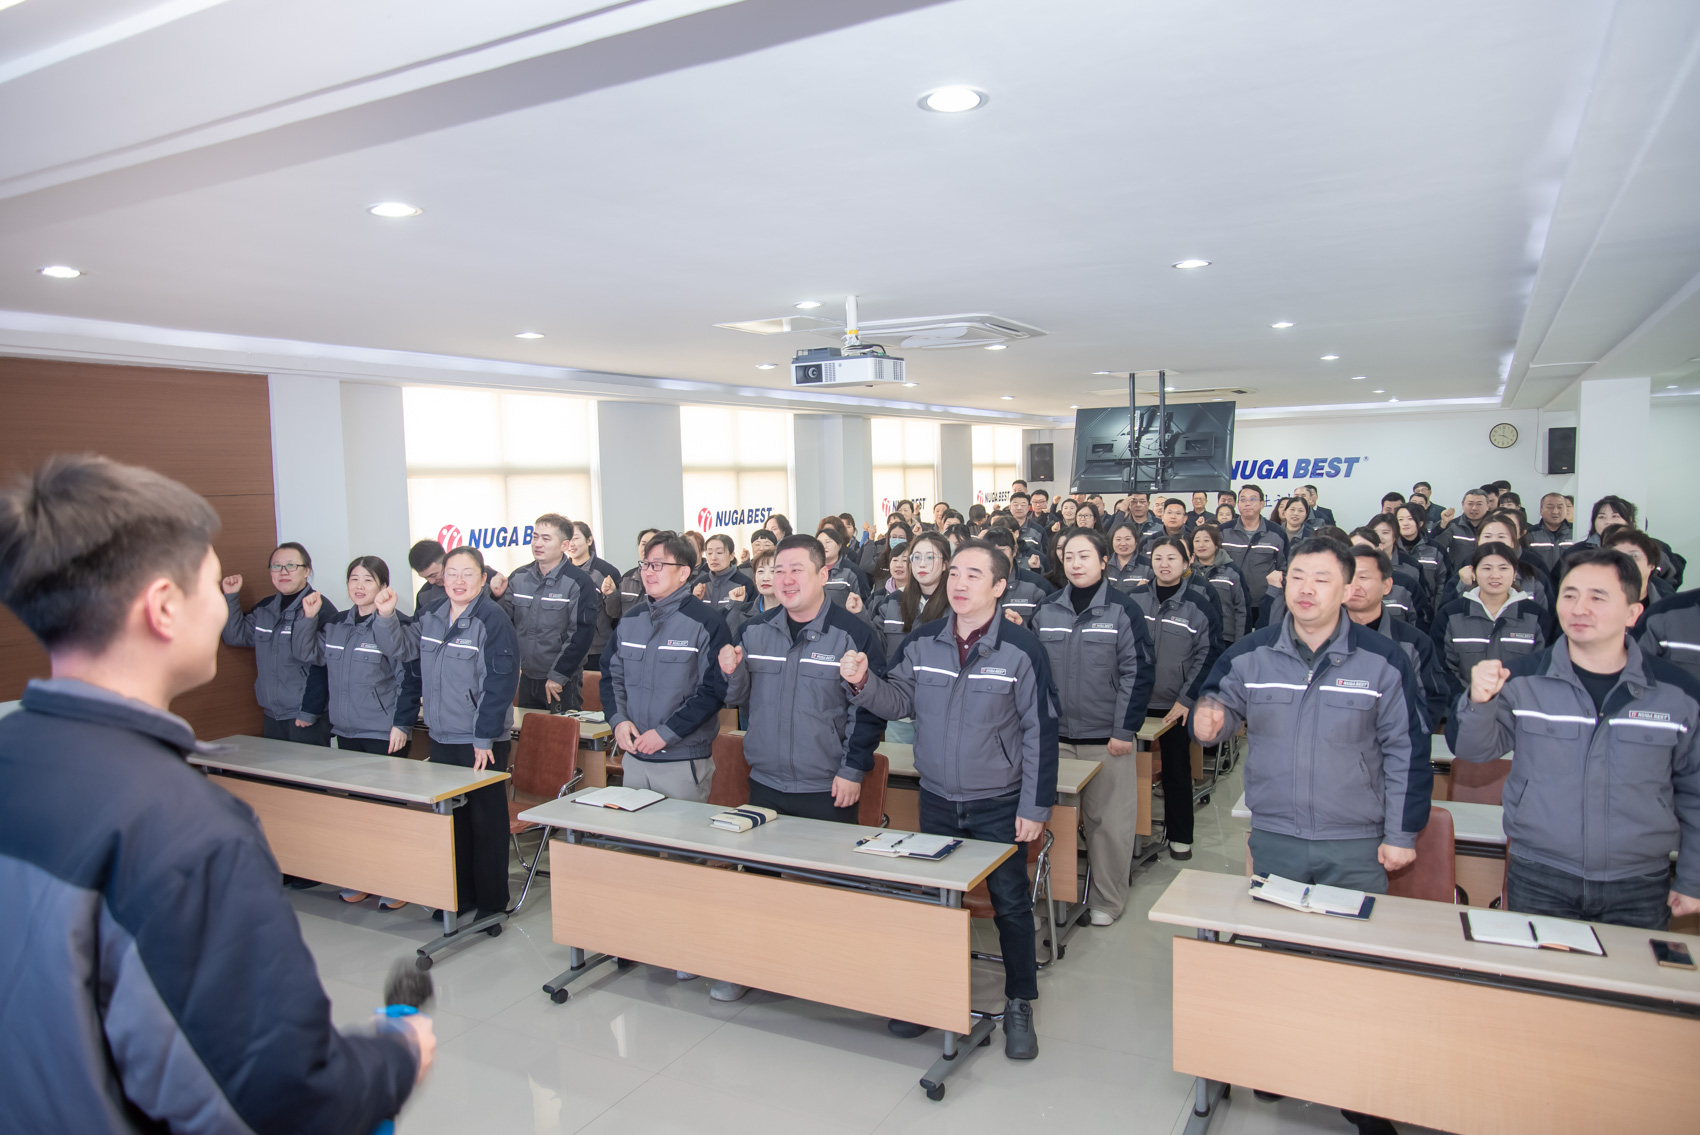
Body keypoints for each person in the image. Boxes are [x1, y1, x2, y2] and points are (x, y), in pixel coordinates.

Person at [0, 458, 431, 1132]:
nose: (227, 608)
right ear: (163, 607)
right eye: (211, 583)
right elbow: (288, 1093)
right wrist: (398, 1055)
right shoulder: (190, 829)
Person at [841, 539, 1058, 1060]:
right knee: (934, 900)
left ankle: (1020, 1002)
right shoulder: (923, 641)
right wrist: (863, 682)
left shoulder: (1021, 650)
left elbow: (1040, 732)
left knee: (1010, 904)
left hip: (999, 800)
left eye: (973, 575)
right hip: (938, 797)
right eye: (954, 572)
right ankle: (928, 994)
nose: (959, 583)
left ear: (1000, 587)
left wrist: (1034, 808)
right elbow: (899, 700)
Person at [1456, 548, 1700, 929]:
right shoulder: (1522, 679)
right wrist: (1478, 702)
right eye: (1570, 595)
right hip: (1540, 874)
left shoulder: (1677, 693)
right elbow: (1473, 751)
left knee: (1629, 970)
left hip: (1637, 883)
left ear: (1633, 613)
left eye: (1597, 598)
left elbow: (1695, 791)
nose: (1579, 608)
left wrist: (1693, 878)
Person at [1193, 535, 1431, 887]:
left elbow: (1407, 751)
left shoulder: (1384, 660)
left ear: (1347, 591)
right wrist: (1208, 723)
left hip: (1355, 840)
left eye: (1321, 579)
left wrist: (1401, 834)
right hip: (1275, 833)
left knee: (1350, 925)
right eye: (1297, 576)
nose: (1306, 588)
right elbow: (1217, 707)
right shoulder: (1249, 654)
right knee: (1272, 923)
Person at [1033, 529, 1156, 923]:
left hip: (1106, 740)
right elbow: (1034, 674)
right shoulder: (1047, 610)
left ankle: (1106, 900)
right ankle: (1051, 897)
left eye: (1084, 556)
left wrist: (1123, 731)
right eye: (1069, 556)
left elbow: (1138, 673)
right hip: (1057, 739)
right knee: (1055, 824)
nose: (1076, 564)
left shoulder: (1122, 610)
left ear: (1104, 561)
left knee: (1109, 825)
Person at [399, 545, 520, 920]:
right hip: (442, 735)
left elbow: (499, 683)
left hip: (480, 741)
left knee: (486, 824)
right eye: (452, 573)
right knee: (454, 823)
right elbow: (404, 653)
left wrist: (484, 737)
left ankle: (491, 905)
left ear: (483, 579)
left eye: (468, 574)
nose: (458, 581)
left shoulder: (492, 619)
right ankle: (460, 896)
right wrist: (386, 617)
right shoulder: (431, 615)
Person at [293, 557, 416, 908]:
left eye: (368, 580)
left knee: (386, 812)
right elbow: (307, 654)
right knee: (358, 811)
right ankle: (363, 876)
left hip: (383, 731)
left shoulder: (396, 624)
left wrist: (402, 723)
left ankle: (397, 883)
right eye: (354, 579)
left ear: (383, 586)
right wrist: (308, 619)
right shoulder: (336, 624)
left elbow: (409, 679)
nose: (359, 586)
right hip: (346, 729)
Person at [601, 531, 730, 805]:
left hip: (681, 759)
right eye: (646, 564)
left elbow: (712, 691)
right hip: (635, 756)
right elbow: (611, 677)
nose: (649, 572)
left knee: (680, 832)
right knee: (635, 832)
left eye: (658, 565)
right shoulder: (630, 620)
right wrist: (618, 720)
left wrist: (665, 734)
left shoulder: (707, 623)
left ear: (684, 572)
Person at [1125, 535, 1223, 860]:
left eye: (1171, 558)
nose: (1164, 564)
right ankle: (1128, 834)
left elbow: (1208, 655)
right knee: (1126, 772)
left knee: (1176, 771)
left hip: (1175, 704)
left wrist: (1187, 698)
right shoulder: (1134, 599)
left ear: (1186, 562)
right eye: (1158, 558)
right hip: (1135, 701)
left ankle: (1180, 836)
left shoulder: (1199, 605)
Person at [222, 541, 335, 745]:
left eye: (291, 565)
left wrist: (310, 710)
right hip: (272, 713)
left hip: (306, 714)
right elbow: (235, 636)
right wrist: (231, 597)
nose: (283, 572)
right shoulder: (265, 608)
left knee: (306, 766)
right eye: (276, 566)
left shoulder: (321, 609)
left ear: (306, 571)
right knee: (276, 766)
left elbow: (325, 665)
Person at [1431, 543, 1552, 708]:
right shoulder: (1450, 615)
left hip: (1521, 710)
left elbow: (1544, 666)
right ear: (1474, 572)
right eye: (1487, 568)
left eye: (1503, 568)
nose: (1495, 575)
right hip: (1464, 709)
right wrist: (1470, 701)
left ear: (1515, 573)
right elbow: (1442, 667)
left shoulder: (1536, 617)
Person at [497, 513, 598, 711]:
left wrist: (558, 675)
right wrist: (495, 596)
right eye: (535, 537)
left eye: (546, 538)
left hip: (561, 679)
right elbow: (502, 623)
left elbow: (581, 634)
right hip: (526, 676)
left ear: (564, 545)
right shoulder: (518, 577)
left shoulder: (579, 582)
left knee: (561, 729)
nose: (538, 543)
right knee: (528, 728)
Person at [1344, 546, 1448, 730]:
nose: (1355, 586)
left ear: (1387, 585)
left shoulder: (1414, 643)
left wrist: (1399, 738)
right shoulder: (1322, 639)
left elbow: (1431, 702)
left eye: (1363, 577)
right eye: (1349, 577)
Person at [1219, 484, 1288, 631]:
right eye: (1243, 500)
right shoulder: (1223, 531)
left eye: (1253, 499)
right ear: (1237, 504)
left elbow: (1285, 567)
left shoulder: (1276, 533)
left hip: (1264, 602)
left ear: (1262, 504)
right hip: (1229, 602)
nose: (1247, 503)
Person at [566, 519, 623, 676]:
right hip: (568, 648)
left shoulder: (605, 571)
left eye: (575, 538)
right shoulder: (561, 572)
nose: (571, 544)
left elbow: (617, 614)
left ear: (589, 540)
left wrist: (611, 595)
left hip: (597, 649)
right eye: (568, 539)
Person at [1191, 524, 1247, 646]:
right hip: (1194, 636)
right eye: (1197, 541)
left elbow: (1241, 609)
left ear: (1216, 544)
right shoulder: (1187, 572)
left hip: (1225, 636)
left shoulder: (1232, 572)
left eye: (1206, 540)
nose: (1201, 545)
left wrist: (1240, 642)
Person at [985, 525, 1050, 624]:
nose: (996, 556)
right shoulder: (975, 585)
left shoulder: (1037, 585)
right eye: (991, 551)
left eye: (1002, 550)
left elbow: (1046, 628)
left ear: (1014, 550)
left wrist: (1021, 627)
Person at [694, 532, 756, 614]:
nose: (713, 558)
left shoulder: (744, 584)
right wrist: (694, 599)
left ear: (731, 556)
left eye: (719, 552)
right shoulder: (699, 584)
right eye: (709, 553)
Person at [1435, 488, 1489, 572]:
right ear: (1463, 504)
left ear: (1487, 506)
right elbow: (1437, 547)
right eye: (1470, 504)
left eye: (1479, 504)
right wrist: (1443, 524)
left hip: (1488, 573)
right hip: (1458, 575)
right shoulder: (1453, 525)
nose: (1474, 508)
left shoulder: (1494, 527)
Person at [1525, 492, 1576, 572]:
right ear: (1541, 510)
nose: (1555, 511)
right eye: (1550, 507)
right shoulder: (1530, 534)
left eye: (1560, 507)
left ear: (1566, 510)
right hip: (1540, 579)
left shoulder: (1575, 531)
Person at [617, 527, 661, 619]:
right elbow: (615, 613)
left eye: (652, 544)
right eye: (643, 544)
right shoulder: (626, 578)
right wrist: (610, 595)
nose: (646, 548)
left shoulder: (666, 578)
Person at [1106, 522, 1150, 592]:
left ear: (1136, 541)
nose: (1123, 543)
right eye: (1118, 539)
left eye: (1127, 539)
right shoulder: (1103, 565)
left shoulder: (1148, 566)